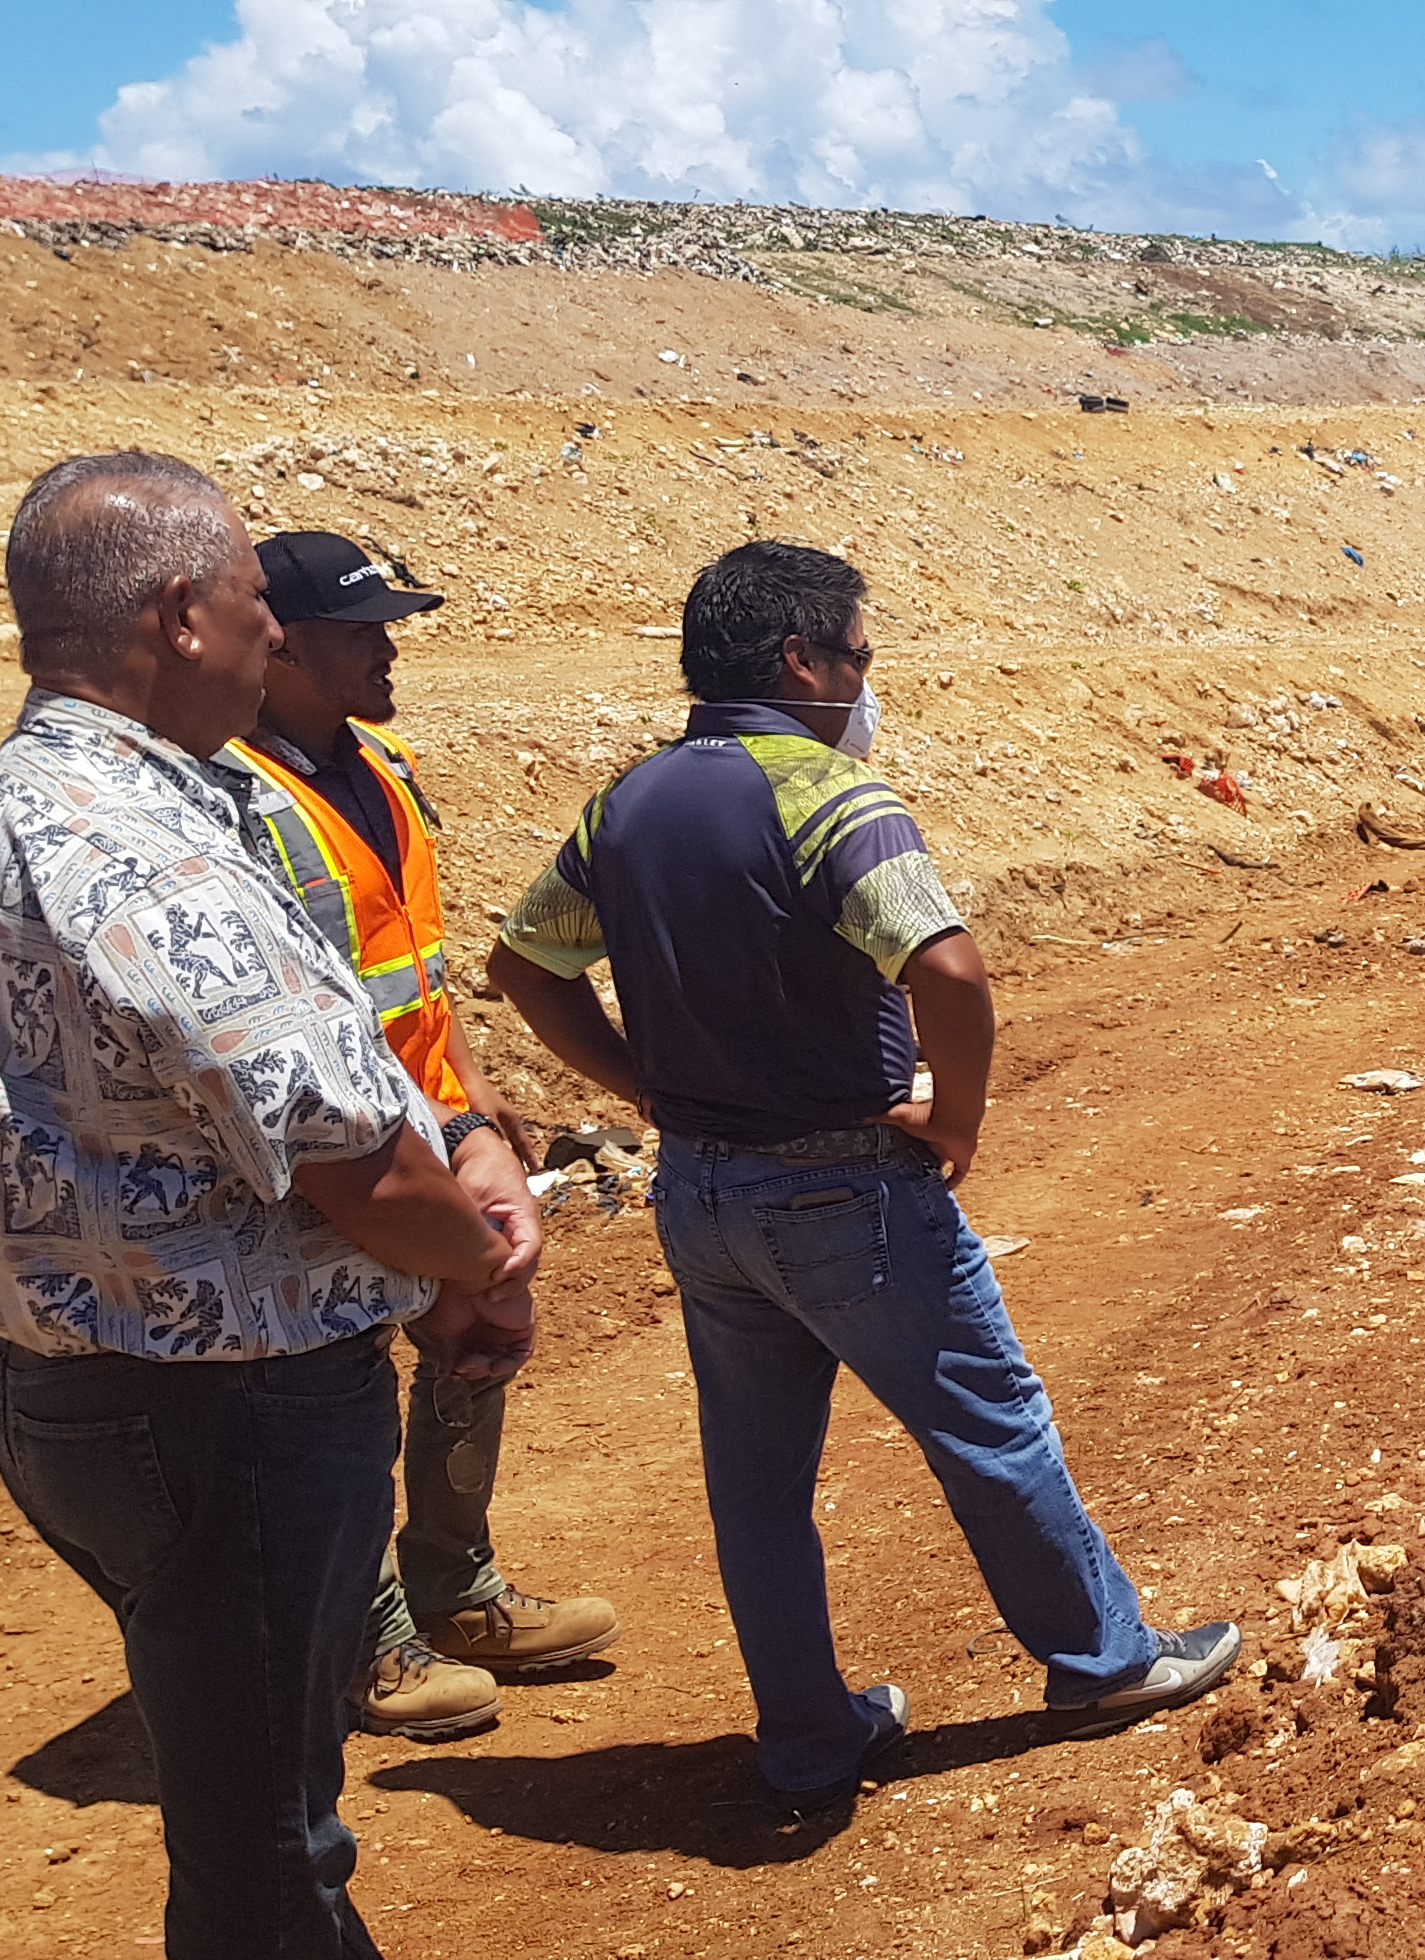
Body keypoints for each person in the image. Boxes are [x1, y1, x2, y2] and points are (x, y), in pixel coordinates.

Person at [485, 540, 1235, 1811]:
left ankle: (811, 1738)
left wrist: (643, 1090)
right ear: (802, 660)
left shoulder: (627, 804)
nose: (865, 680)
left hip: (702, 1194)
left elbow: (523, 963)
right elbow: (948, 968)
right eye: (860, 655)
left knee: (759, 1483)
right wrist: (962, 1117)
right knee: (991, 1428)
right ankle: (1104, 1660)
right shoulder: (830, 797)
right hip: (846, 1187)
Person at [0, 452, 539, 1958]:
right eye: (262, 607)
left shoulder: (44, 799)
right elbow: (358, 1167)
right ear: (182, 613)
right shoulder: (138, 844)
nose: (277, 640)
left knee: (265, 1830)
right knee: (273, 1858)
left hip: (109, 1394)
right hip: (226, 1413)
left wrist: (450, 1130)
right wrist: (479, 1263)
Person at [224, 531, 621, 1744]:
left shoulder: (380, 765)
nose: (390, 647)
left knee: (472, 1338)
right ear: (281, 645)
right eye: (364, 629)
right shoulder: (232, 796)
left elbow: (416, 969)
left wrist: (478, 1097)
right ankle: (365, 1638)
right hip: (325, 1142)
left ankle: (455, 1584)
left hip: (433, 1114)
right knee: (339, 1373)